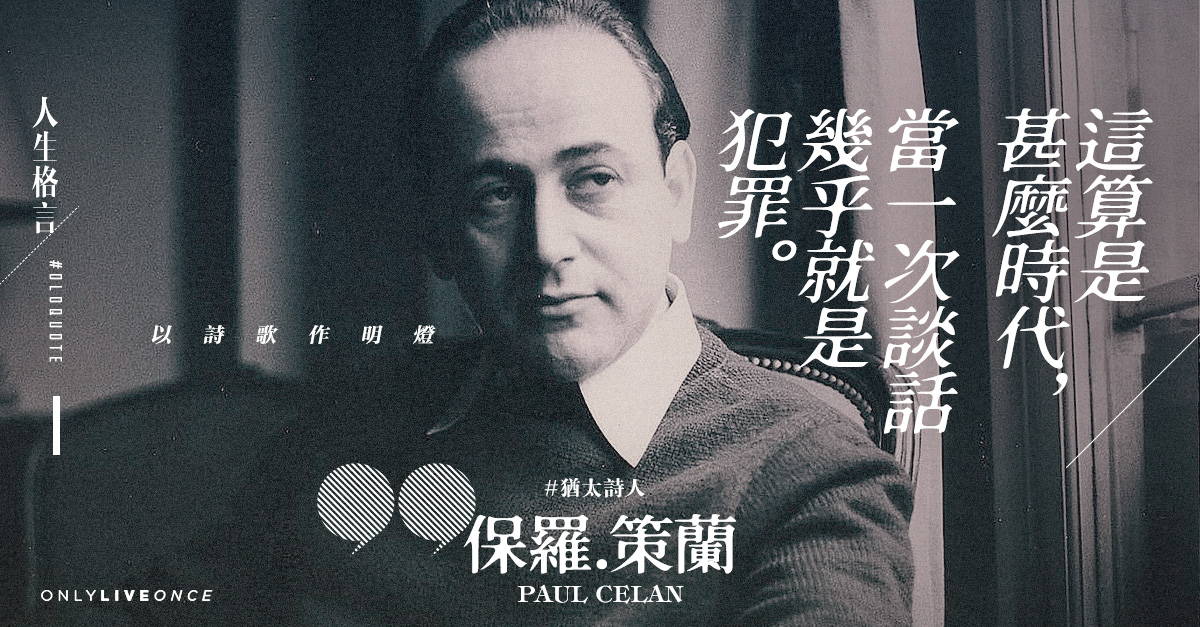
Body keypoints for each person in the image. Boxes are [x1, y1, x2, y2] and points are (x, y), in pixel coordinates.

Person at [220, 1, 915, 624]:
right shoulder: (340, 432)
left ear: (676, 193)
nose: (547, 246)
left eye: (593, 179)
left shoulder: (807, 472)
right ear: (438, 234)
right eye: (495, 195)